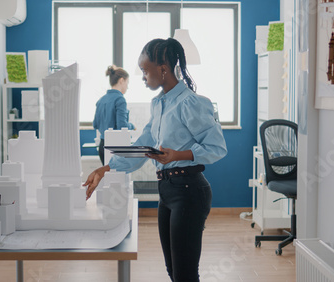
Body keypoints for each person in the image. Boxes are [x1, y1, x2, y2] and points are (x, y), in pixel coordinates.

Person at [84, 38, 227, 281]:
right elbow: (142, 148)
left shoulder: (191, 102)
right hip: (168, 192)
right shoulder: (159, 104)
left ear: (163, 69)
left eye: (144, 70)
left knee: (185, 274)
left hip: (190, 192)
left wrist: (177, 155)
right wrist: (105, 169)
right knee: (173, 271)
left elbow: (217, 147)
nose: (142, 77)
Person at [93, 65, 135, 165]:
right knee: (118, 179)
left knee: (108, 178)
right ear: (121, 81)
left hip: (102, 146)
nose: (127, 87)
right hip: (115, 146)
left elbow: (95, 124)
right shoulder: (120, 99)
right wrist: (132, 126)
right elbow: (122, 126)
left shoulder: (101, 100)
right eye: (127, 82)